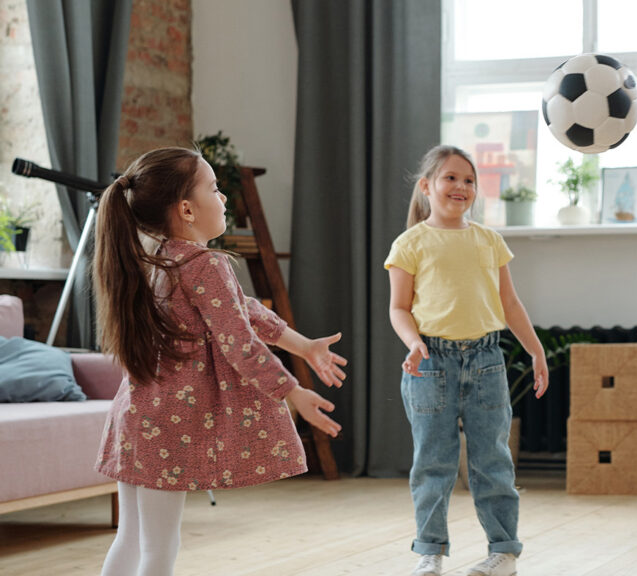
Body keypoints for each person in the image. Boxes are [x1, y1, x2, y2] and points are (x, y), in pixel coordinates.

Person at [92, 147, 348, 576]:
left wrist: (303, 345)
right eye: (214, 188)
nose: (225, 197)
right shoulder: (205, 264)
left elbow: (243, 310)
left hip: (136, 419)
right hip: (168, 428)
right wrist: (293, 392)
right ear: (187, 209)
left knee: (133, 538)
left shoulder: (158, 260)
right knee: (159, 548)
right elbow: (241, 344)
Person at [386, 144, 549, 576]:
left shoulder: (489, 241)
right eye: (450, 178)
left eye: (469, 180)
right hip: (430, 365)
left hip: (486, 360)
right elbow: (399, 308)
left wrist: (536, 349)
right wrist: (414, 344)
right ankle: (430, 553)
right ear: (426, 187)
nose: (461, 187)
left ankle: (504, 552)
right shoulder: (410, 243)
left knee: (492, 461)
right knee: (433, 462)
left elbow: (510, 304)